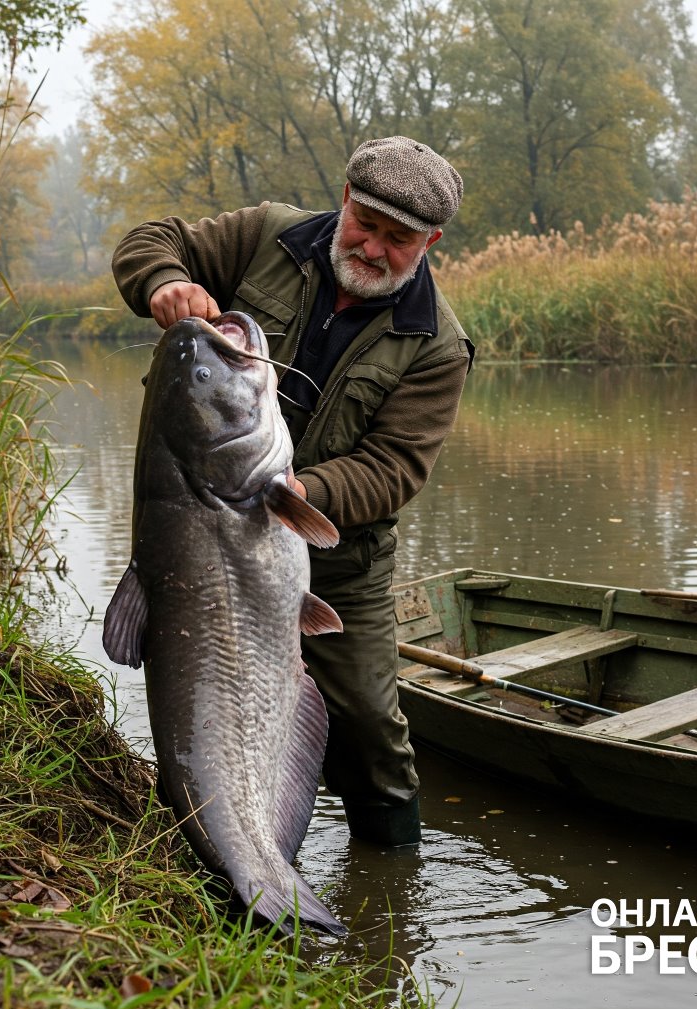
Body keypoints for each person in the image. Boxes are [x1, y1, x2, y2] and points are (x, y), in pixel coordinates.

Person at [112, 136, 473, 846]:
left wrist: (291, 492)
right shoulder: (267, 236)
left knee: (370, 724)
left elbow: (395, 466)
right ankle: (208, 844)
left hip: (336, 556)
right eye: (364, 224)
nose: (371, 247)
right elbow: (148, 241)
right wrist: (163, 283)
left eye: (397, 240)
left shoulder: (436, 345)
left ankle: (391, 878)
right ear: (346, 199)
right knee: (199, 702)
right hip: (194, 529)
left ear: (430, 241)